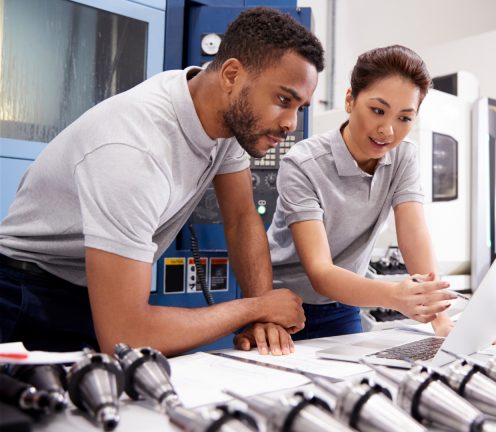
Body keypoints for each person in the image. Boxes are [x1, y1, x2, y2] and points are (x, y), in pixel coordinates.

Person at [0, 8, 324, 356]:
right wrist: (255, 309)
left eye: (300, 108)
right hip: (23, 297)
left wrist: (265, 317)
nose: (291, 123)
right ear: (231, 75)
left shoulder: (225, 119)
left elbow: (242, 217)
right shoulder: (134, 149)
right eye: (283, 100)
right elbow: (126, 336)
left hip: (87, 292)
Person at [245, 45, 458, 348]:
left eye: (404, 118)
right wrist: (395, 296)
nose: (387, 130)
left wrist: (440, 318)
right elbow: (320, 271)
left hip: (343, 304)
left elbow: (413, 233)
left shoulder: (403, 158)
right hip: (284, 308)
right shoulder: (303, 163)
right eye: (377, 110)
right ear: (350, 100)